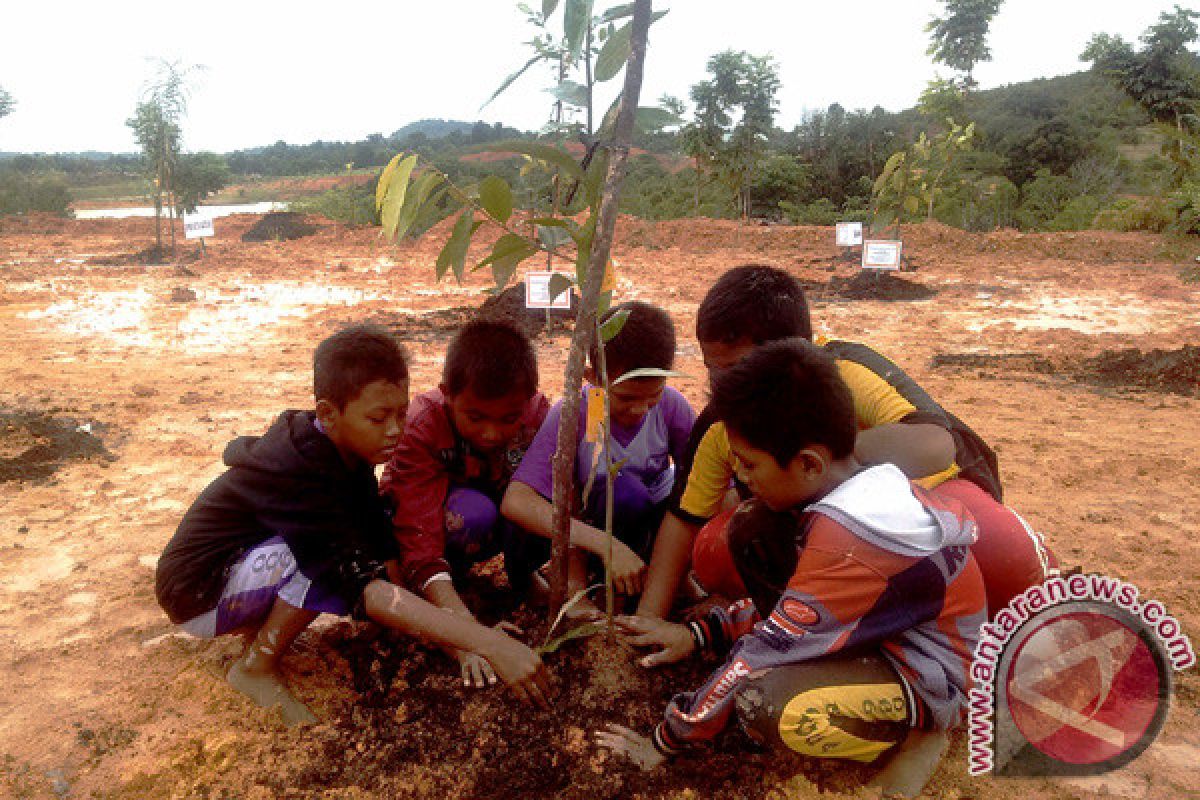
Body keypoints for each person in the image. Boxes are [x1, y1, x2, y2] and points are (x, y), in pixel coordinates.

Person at [598, 340, 986, 798]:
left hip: (935, 674)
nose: (742, 478)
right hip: (893, 637)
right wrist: (700, 634)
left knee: (763, 703)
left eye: (750, 464)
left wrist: (663, 742)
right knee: (754, 530)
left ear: (808, 464)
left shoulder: (848, 543)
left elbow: (760, 654)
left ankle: (922, 733)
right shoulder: (859, 489)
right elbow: (798, 607)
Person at [155, 325, 552, 724]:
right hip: (200, 593)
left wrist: (459, 640)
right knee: (324, 561)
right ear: (328, 413)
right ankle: (255, 666)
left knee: (353, 548)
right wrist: (491, 644)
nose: (396, 430)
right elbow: (367, 587)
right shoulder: (300, 473)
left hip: (243, 574)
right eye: (379, 418)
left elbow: (389, 563)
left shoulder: (351, 461)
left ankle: (259, 637)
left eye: (401, 413)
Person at [636, 264, 1054, 621]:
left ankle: (1040, 607)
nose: (721, 385)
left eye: (734, 369)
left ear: (793, 353)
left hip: (919, 505)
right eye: (714, 371)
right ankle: (788, 625)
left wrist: (831, 463)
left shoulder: (848, 372)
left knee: (1002, 550)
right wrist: (645, 621)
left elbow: (935, 444)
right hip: (810, 526)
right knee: (716, 549)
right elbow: (685, 518)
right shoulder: (723, 421)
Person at [379, 319, 550, 687]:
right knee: (471, 515)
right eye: (475, 417)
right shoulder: (422, 424)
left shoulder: (539, 415)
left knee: (535, 501)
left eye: (509, 419)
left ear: (529, 400)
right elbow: (417, 531)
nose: (492, 433)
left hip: (493, 509)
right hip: (433, 524)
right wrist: (463, 634)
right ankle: (444, 590)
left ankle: (524, 576)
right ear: (448, 395)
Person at [501, 301, 696, 614]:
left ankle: (661, 583)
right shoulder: (576, 414)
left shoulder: (672, 407)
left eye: (652, 395)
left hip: (650, 531)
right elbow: (517, 501)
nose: (640, 409)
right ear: (593, 378)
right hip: (592, 533)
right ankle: (580, 589)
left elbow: (703, 484)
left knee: (661, 495)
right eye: (626, 397)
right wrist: (604, 546)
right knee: (619, 491)